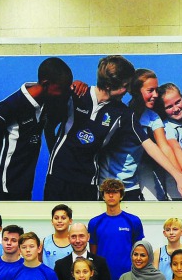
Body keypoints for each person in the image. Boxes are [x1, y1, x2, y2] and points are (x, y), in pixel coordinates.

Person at [0, 57, 73, 200]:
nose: (64, 93)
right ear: (46, 84)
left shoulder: (47, 101)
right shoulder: (11, 106)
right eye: (61, 89)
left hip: (22, 189)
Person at [95, 69, 182, 200]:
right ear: (135, 91)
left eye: (156, 90)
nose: (156, 95)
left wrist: (180, 177)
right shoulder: (121, 113)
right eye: (150, 90)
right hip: (107, 182)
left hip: (131, 183)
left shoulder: (153, 117)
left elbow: (165, 147)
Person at [43, 55, 134, 201]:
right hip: (58, 176)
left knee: (83, 224)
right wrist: (56, 153)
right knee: (55, 221)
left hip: (87, 181)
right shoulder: (77, 94)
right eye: (125, 85)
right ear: (109, 85)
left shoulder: (121, 113)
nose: (128, 90)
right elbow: (48, 127)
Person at [89, 179, 145, 280]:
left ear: (121, 195)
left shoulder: (133, 221)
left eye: (115, 192)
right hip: (103, 277)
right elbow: (93, 254)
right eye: (107, 192)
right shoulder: (94, 222)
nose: (111, 195)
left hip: (127, 275)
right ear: (103, 196)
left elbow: (138, 250)